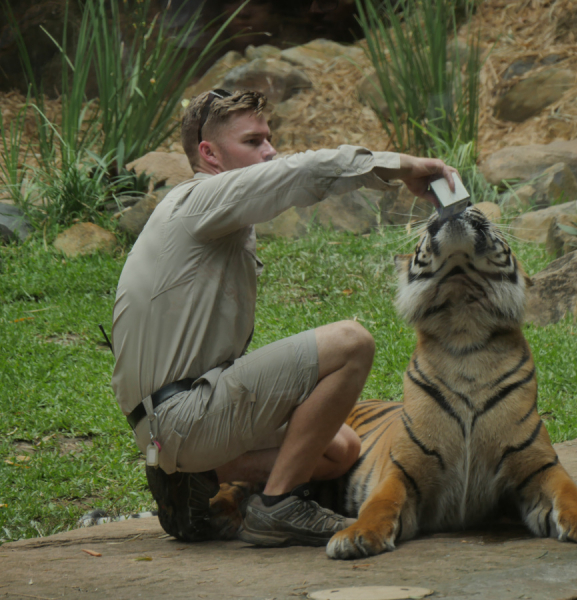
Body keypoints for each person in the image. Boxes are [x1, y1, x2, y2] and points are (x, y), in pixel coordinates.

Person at [111, 88, 457, 547]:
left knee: (339, 449)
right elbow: (305, 171)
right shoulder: (198, 200)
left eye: (268, 139)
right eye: (253, 141)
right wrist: (403, 165)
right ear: (209, 153)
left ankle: (194, 478)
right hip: (181, 417)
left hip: (166, 429)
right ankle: (278, 506)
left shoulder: (205, 215)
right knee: (352, 342)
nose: (270, 150)